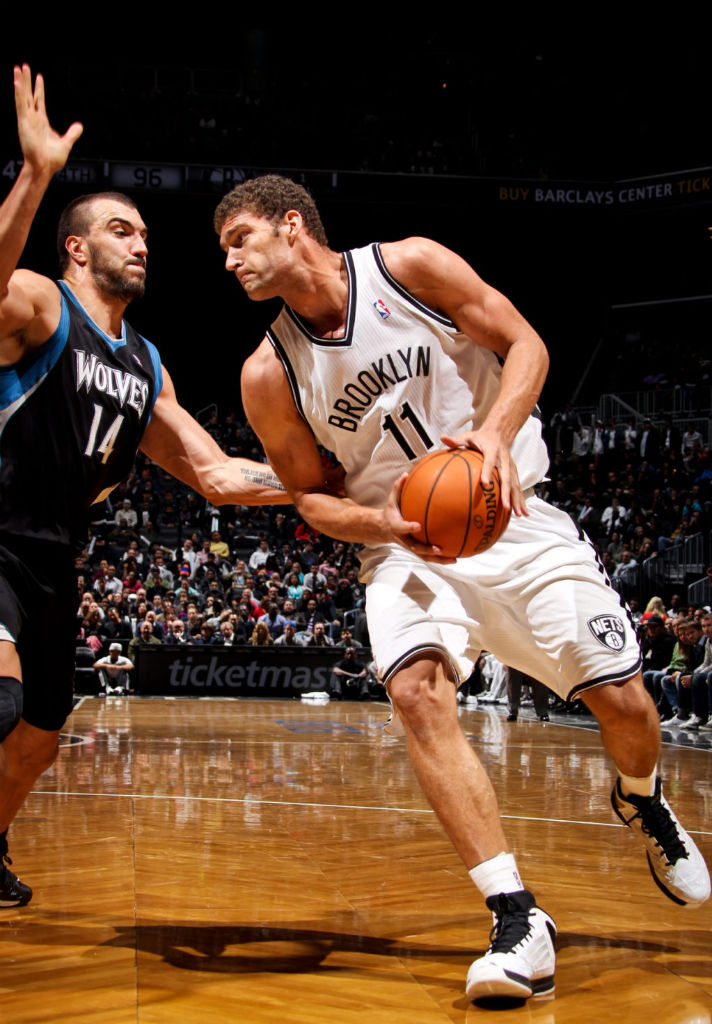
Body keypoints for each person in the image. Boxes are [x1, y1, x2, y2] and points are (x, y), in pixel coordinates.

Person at [214, 173, 710, 1003]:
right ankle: (517, 915)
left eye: (238, 241)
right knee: (415, 692)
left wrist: (495, 433)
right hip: (405, 549)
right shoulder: (267, 372)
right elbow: (310, 495)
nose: (228, 262)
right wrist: (382, 528)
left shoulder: (408, 267)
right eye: (222, 251)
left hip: (513, 516)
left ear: (290, 225)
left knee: (627, 706)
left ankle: (641, 799)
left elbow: (528, 346)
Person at [0, 67, 297, 909]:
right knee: (3, 697)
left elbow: (215, 473)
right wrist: (36, 175)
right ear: (77, 248)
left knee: (41, 733)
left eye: (143, 236)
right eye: (122, 231)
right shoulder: (39, 305)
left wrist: (328, 490)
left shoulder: (146, 362)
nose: (141, 243)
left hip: (57, 557)